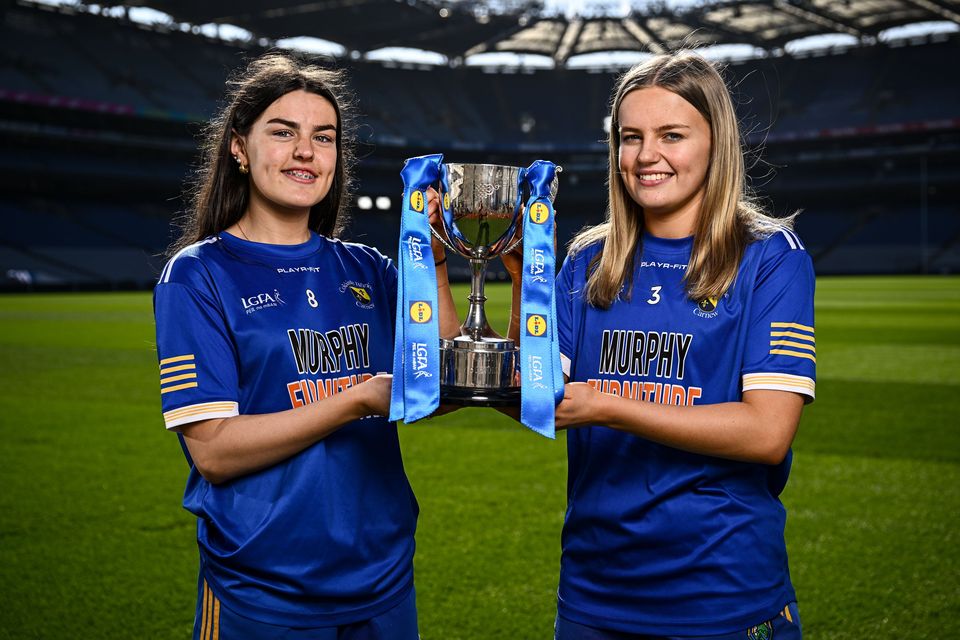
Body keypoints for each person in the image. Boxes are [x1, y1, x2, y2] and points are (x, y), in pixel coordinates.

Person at [154, 51, 455, 639]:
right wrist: (355, 399)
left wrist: (437, 261)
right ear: (239, 147)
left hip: (382, 577)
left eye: (324, 137)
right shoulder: (197, 274)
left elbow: (438, 379)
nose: (305, 152)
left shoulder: (368, 269)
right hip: (262, 587)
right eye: (283, 132)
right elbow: (214, 452)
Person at [547, 51, 814, 639]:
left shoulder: (770, 257)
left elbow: (768, 434)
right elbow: (538, 391)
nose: (647, 156)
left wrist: (609, 406)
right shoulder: (588, 260)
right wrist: (511, 271)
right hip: (596, 591)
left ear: (717, 143)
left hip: (722, 591)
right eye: (630, 137)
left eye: (672, 135)